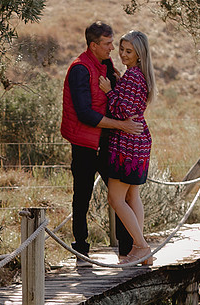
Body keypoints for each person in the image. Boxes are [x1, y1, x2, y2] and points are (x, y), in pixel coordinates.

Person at [60, 21, 142, 266]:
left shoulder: (107, 66)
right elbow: (85, 113)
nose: (112, 48)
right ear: (93, 45)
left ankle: (128, 251)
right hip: (85, 145)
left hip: (108, 144)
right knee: (82, 196)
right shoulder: (79, 69)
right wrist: (122, 126)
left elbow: (114, 101)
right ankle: (81, 252)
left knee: (121, 197)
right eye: (107, 44)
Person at [99, 30, 156, 266]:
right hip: (137, 142)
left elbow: (124, 111)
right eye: (121, 49)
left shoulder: (133, 76)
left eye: (128, 51)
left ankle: (142, 247)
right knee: (132, 196)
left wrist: (109, 91)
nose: (123, 54)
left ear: (139, 54)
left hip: (127, 145)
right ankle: (139, 250)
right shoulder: (137, 75)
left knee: (115, 199)